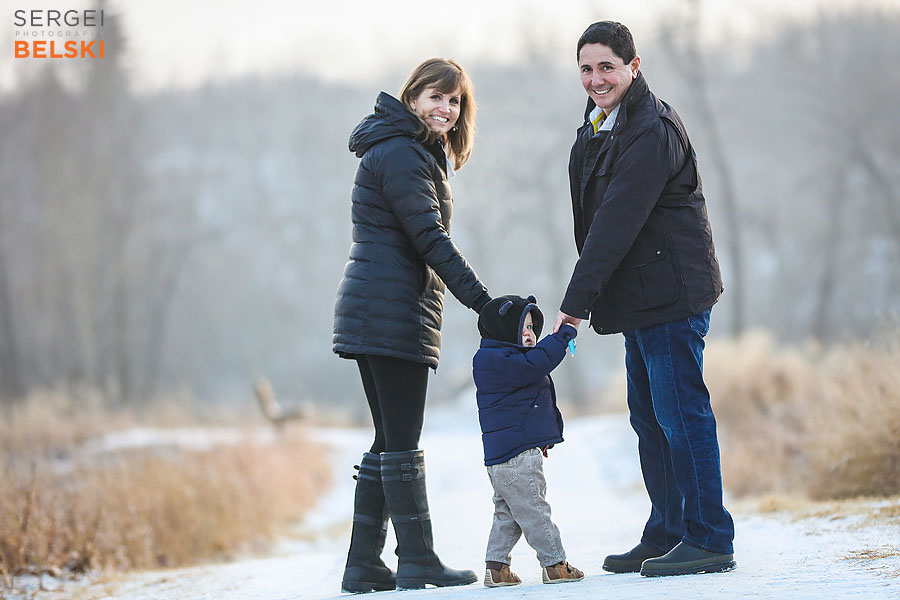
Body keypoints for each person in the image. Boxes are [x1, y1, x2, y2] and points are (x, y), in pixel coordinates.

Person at [553, 21, 736, 577]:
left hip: (672, 296)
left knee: (681, 415)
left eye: (607, 66)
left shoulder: (650, 129)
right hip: (640, 297)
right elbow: (592, 214)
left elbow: (617, 220)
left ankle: (709, 537)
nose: (595, 78)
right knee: (650, 419)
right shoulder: (600, 127)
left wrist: (577, 299)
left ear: (634, 65)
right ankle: (668, 531)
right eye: (586, 68)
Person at [333, 58, 490, 593]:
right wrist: (484, 304)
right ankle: (418, 560)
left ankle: (363, 565)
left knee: (387, 439)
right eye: (435, 97)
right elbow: (429, 239)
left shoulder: (406, 149)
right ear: (412, 98)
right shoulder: (402, 152)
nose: (445, 109)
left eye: (454, 101)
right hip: (391, 308)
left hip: (383, 304)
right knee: (401, 440)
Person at [473, 295, 584, 587]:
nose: (529, 333)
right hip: (515, 456)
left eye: (532, 327)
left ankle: (496, 568)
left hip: (506, 455)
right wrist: (562, 336)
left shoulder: (505, 361)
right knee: (534, 509)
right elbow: (538, 362)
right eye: (522, 327)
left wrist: (540, 439)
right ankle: (554, 564)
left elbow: (527, 405)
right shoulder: (498, 360)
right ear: (501, 330)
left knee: (508, 512)